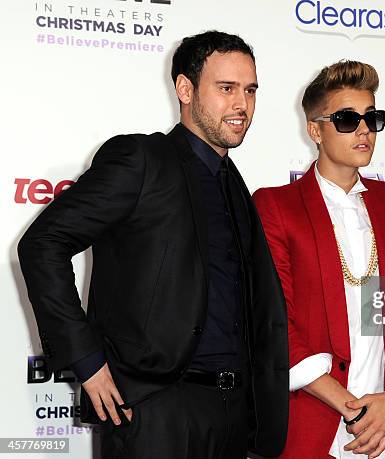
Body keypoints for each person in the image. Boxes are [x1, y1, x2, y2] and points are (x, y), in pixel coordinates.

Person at [17, 31, 288, 459]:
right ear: (185, 89)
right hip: (154, 410)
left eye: (250, 90)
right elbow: (42, 243)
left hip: (230, 413)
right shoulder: (140, 160)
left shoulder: (234, 184)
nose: (242, 104)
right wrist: (86, 361)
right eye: (226, 88)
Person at [253, 60, 385, 459]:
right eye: (347, 119)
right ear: (315, 129)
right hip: (312, 425)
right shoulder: (276, 206)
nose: (364, 130)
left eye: (372, 118)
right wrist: (353, 409)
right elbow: (272, 320)